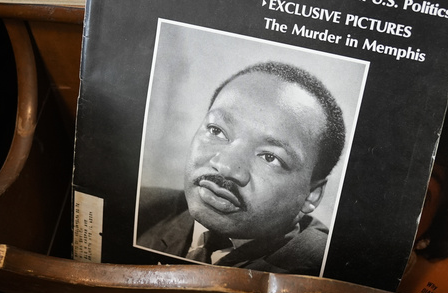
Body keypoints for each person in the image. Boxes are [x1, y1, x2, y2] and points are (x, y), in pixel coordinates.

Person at [137, 61, 347, 275]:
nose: (226, 167)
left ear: (311, 195)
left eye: (270, 157)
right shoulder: (141, 211)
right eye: (217, 131)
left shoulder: (324, 272)